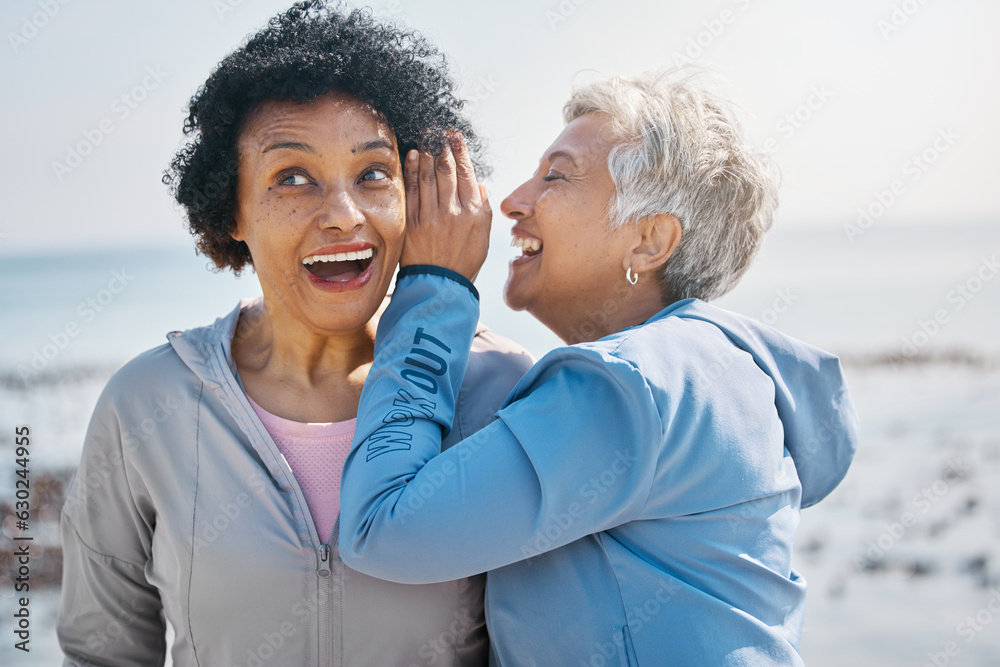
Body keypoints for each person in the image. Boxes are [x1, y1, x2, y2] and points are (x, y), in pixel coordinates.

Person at [56, 2, 531, 665]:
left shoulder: (502, 392)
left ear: (417, 194)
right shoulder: (144, 404)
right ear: (234, 211)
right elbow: (98, 651)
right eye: (293, 178)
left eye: (373, 174)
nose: (343, 215)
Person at [339, 71, 860, 665]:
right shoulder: (712, 369)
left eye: (555, 177)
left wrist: (435, 290)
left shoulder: (630, 385)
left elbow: (382, 530)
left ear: (649, 240)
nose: (512, 201)